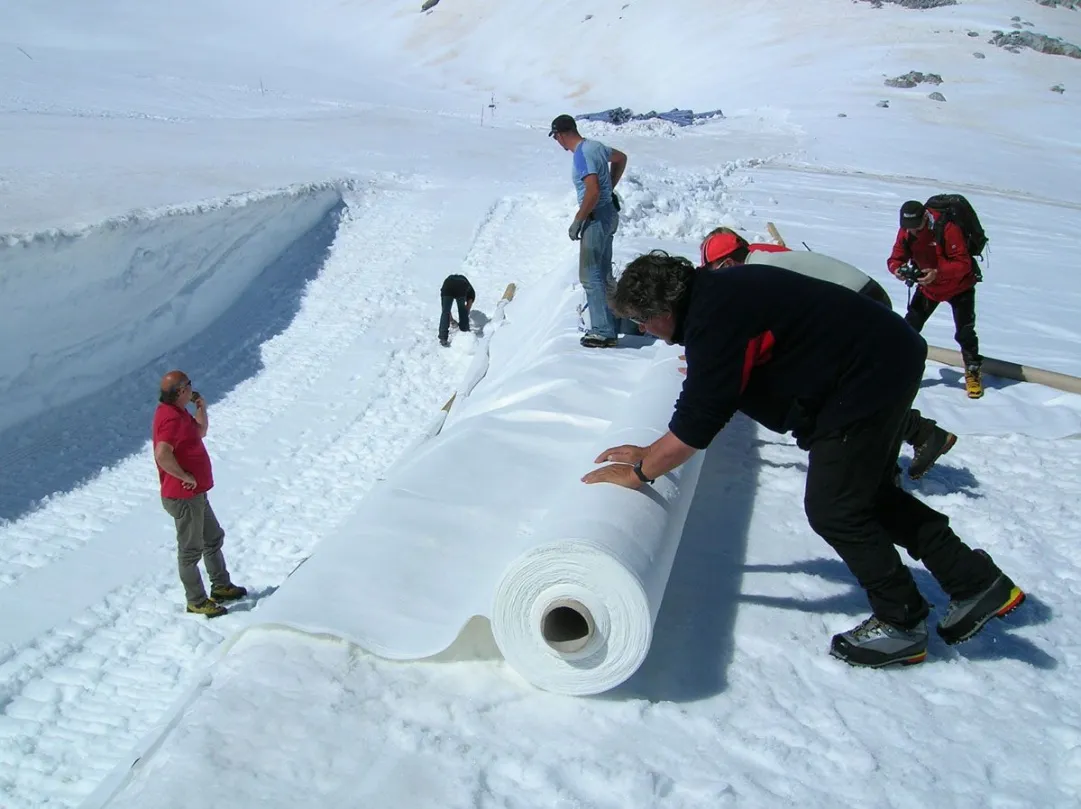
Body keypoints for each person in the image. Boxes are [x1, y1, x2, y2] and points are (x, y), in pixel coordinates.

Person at [583, 251, 1024, 668]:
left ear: (663, 310)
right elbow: (720, 377)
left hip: (868, 375)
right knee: (866, 494)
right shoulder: (715, 294)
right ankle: (974, 581)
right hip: (881, 358)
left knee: (836, 508)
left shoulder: (715, 320)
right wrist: (690, 396)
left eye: (641, 321)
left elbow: (698, 423)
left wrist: (641, 470)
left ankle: (902, 622)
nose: (644, 329)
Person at [699, 227, 956, 480]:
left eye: (713, 272)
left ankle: (896, 454)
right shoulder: (759, 257)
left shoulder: (757, 272)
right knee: (850, 394)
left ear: (728, 263)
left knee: (842, 394)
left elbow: (759, 326)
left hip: (858, 305)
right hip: (860, 298)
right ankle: (915, 439)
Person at [153, 371, 246, 618]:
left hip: (196, 493)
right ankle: (196, 600)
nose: (193, 388)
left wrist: (200, 407)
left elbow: (200, 431)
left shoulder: (180, 411)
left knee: (213, 538)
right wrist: (184, 476)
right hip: (184, 497)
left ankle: (221, 586)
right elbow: (162, 454)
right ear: (181, 390)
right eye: (190, 386)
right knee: (190, 551)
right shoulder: (170, 419)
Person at [888, 200, 984, 399]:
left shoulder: (947, 228)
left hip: (960, 288)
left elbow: (963, 264)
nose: (912, 232)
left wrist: (937, 272)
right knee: (909, 328)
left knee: (965, 332)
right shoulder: (907, 230)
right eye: (908, 228)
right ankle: (896, 369)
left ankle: (972, 371)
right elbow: (896, 256)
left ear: (925, 217)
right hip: (928, 287)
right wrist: (897, 269)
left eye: (916, 227)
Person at [549, 113, 628, 348]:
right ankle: (610, 324)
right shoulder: (596, 147)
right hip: (608, 214)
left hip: (596, 218)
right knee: (604, 274)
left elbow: (592, 191)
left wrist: (578, 220)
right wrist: (610, 186)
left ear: (561, 135)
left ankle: (602, 331)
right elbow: (621, 158)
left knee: (590, 276)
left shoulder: (582, 154)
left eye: (556, 137)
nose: (557, 142)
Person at [439, 274, 475, 347]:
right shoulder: (471, 293)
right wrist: (464, 316)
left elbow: (446, 310)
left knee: (445, 311)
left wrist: (451, 320)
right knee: (462, 310)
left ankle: (443, 338)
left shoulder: (451, 280)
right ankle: (465, 333)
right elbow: (466, 309)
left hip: (447, 284)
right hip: (461, 285)